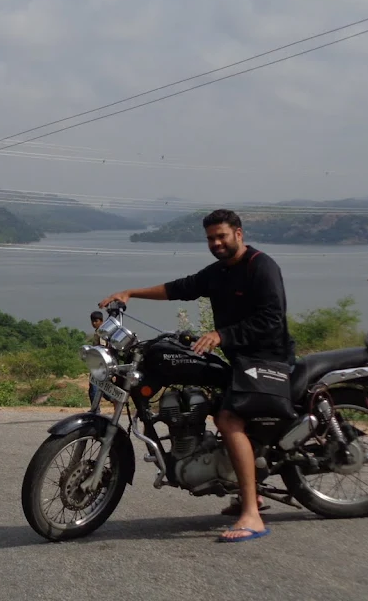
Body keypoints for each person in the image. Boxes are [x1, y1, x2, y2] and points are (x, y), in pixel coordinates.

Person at [98, 208, 294, 544]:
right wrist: (131, 292)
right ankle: (245, 484)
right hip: (239, 359)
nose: (216, 243)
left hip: (268, 358)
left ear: (239, 234)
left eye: (222, 236)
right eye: (210, 238)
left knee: (229, 419)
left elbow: (272, 319)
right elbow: (180, 287)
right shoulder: (218, 272)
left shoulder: (261, 267)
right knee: (214, 406)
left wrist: (221, 336)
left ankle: (252, 512)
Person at [88, 310, 105, 409]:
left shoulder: (102, 332)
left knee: (94, 387)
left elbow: (102, 347)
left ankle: (95, 410)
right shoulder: (98, 331)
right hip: (99, 363)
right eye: (92, 321)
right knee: (97, 388)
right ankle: (95, 409)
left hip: (100, 364)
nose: (94, 323)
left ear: (101, 321)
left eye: (96, 321)